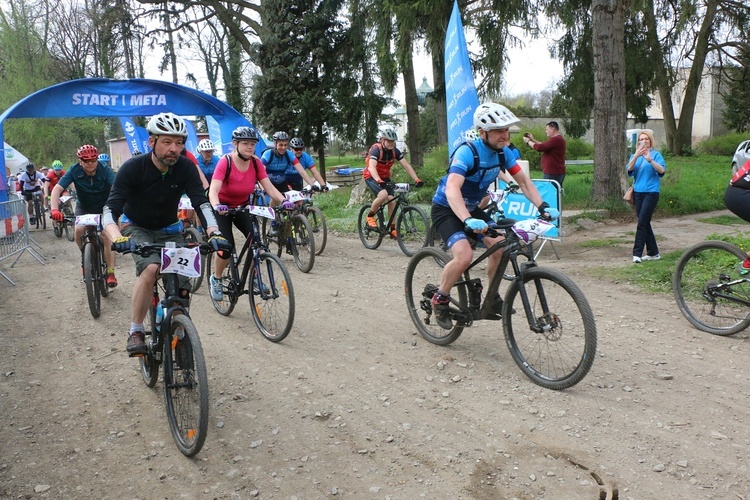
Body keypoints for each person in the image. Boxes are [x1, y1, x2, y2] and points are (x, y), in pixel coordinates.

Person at [101, 112, 229, 355]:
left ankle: (180, 327)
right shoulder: (132, 168)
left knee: (183, 280)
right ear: (152, 142)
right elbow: (110, 209)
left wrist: (214, 232)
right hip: (136, 226)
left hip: (170, 228)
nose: (174, 149)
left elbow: (201, 203)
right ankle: (136, 330)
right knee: (151, 269)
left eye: (179, 143)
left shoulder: (186, 167)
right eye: (167, 142)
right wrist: (117, 238)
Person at [430, 103, 552, 330]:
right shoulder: (467, 152)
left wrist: (542, 206)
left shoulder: (503, 153)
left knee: (500, 246)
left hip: (472, 209)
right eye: (498, 131)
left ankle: (492, 296)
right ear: (482, 132)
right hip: (447, 208)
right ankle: (441, 298)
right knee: (464, 255)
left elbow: (523, 182)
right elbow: (452, 189)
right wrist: (467, 219)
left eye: (506, 130)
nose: (504, 135)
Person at [207, 126, 293, 301]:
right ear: (235, 144)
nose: (249, 147)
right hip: (222, 208)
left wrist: (284, 201)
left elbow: (269, 187)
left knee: (257, 242)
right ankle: (216, 278)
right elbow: (213, 190)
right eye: (245, 143)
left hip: (243, 206)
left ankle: (255, 277)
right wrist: (217, 206)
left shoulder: (255, 163)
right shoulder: (226, 162)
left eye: (252, 144)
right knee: (226, 246)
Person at [50, 145, 118, 285]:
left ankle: (111, 272)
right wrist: (54, 209)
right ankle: (85, 258)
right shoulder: (74, 170)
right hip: (84, 206)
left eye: (93, 160)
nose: (90, 164)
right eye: (86, 161)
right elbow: (57, 189)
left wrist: (118, 206)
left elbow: (117, 188)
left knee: (106, 236)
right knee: (79, 230)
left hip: (104, 206)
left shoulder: (105, 170)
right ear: (80, 161)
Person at [362, 128, 423, 238]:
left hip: (385, 178)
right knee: (383, 195)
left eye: (393, 141)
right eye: (389, 141)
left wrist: (416, 179)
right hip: (371, 176)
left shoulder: (395, 151)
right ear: (383, 140)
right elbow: (371, 167)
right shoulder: (376, 149)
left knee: (391, 201)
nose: (391, 143)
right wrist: (379, 181)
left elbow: (406, 166)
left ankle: (393, 230)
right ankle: (370, 216)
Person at [626, 129, 666, 263]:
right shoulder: (634, 156)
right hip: (638, 192)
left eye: (646, 139)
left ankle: (636, 253)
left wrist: (650, 160)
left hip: (651, 192)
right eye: (641, 139)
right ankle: (653, 253)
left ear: (650, 141)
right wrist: (636, 156)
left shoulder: (656, 155)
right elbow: (629, 170)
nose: (644, 141)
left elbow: (662, 170)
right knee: (644, 222)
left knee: (642, 222)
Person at [260, 131, 315, 197]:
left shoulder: (289, 154)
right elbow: (260, 172)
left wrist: (312, 185)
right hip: (268, 182)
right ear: (275, 144)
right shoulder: (268, 154)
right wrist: (263, 189)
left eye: (285, 145)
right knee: (275, 198)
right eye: (280, 145)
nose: (283, 148)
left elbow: (302, 171)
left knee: (289, 201)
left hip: (281, 182)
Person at [524, 121, 567, 187]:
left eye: (547, 129)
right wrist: (533, 139)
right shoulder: (558, 139)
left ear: (552, 129)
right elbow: (544, 145)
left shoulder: (556, 140)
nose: (545, 131)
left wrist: (528, 142)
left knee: (550, 193)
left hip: (553, 173)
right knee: (556, 193)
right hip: (556, 172)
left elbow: (540, 148)